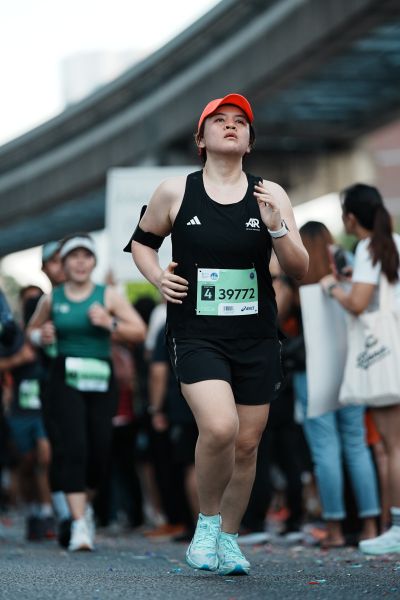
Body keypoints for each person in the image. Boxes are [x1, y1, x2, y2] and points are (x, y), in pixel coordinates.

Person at [126, 93, 308, 575]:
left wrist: (277, 229)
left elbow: (300, 269)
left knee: (247, 444)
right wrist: (157, 276)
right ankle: (206, 526)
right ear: (201, 139)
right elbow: (142, 243)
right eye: (220, 120)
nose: (231, 126)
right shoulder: (175, 191)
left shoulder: (270, 193)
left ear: (249, 142)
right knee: (221, 427)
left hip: (256, 335)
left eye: (240, 122)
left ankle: (228, 539)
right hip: (196, 333)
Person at [28, 233, 146, 551]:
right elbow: (31, 331)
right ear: (64, 264)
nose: (80, 263)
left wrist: (110, 323)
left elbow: (139, 331)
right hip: (64, 377)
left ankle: (86, 508)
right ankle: (79, 523)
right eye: (73, 257)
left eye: (86, 256)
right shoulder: (52, 298)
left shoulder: (108, 295)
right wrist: (41, 336)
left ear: (93, 262)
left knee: (99, 451)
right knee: (74, 447)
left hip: (101, 378)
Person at [320, 184, 400, 555]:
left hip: (383, 357)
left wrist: (333, 288)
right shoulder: (394, 243)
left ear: (351, 218)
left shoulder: (368, 248)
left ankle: (396, 527)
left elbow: (358, 303)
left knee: (393, 446)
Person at [296, 221, 380, 548]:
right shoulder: (345, 261)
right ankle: (371, 525)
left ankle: (335, 527)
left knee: (324, 450)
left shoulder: (297, 269)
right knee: (356, 444)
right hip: (349, 363)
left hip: (310, 370)